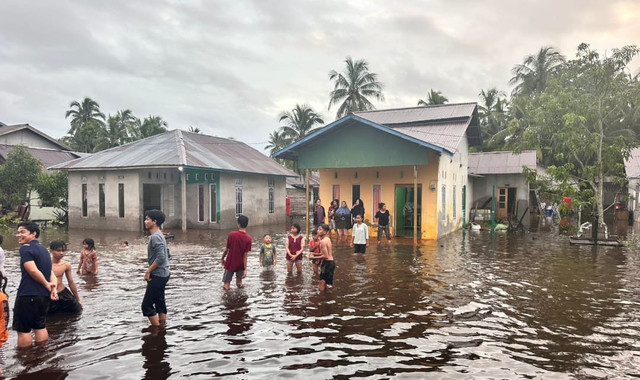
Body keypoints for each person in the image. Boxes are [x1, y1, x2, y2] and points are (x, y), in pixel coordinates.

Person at [13, 221, 57, 347]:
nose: (18, 235)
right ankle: (41, 355)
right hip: (43, 296)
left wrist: (46, 284)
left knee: (23, 330)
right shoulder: (44, 250)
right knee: (40, 326)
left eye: (22, 232)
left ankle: (25, 359)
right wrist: (52, 288)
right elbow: (51, 273)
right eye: (18, 232)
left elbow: (32, 270)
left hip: (28, 294)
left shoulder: (25, 249)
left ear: (34, 234)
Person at [142, 209, 170, 327]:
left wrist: (149, 270)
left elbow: (161, 258)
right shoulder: (159, 235)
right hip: (164, 273)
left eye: (147, 219)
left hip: (158, 275)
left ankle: (157, 331)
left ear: (154, 221)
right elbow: (167, 254)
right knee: (159, 301)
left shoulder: (156, 237)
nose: (145, 221)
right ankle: (162, 326)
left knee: (146, 306)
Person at [48, 240, 83, 315]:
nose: (61, 253)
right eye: (58, 250)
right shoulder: (45, 264)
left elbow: (71, 283)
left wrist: (78, 299)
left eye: (63, 251)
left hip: (63, 292)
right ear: (51, 251)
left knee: (77, 312)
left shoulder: (66, 265)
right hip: (50, 294)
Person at [221, 215, 252, 290]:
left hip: (230, 262)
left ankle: (228, 299)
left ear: (238, 224)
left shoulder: (232, 235)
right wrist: (245, 269)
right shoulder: (249, 239)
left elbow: (226, 249)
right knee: (239, 283)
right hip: (240, 264)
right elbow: (245, 255)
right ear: (247, 224)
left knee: (226, 285)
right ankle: (241, 298)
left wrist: (222, 258)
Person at [309, 224, 334, 291]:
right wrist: (314, 254)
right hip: (331, 263)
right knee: (327, 284)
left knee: (321, 283)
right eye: (318, 229)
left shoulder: (323, 241)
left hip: (327, 264)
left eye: (320, 229)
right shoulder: (328, 239)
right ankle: (327, 298)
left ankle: (321, 298)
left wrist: (313, 258)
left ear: (325, 232)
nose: (318, 231)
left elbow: (325, 256)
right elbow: (326, 254)